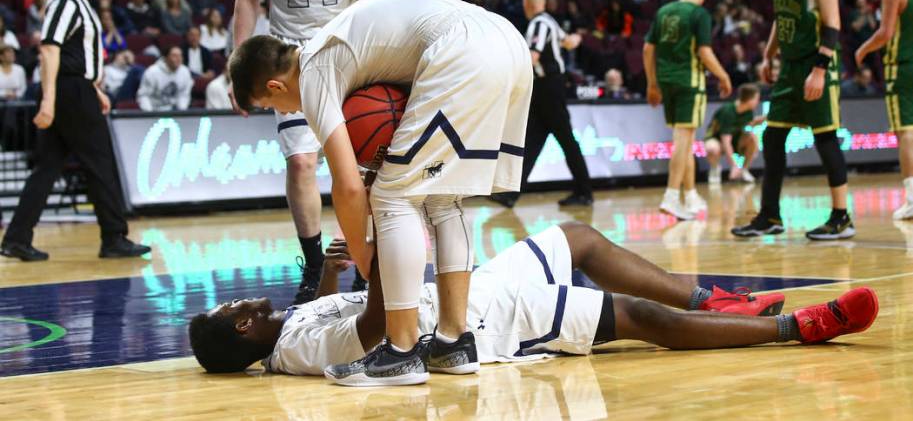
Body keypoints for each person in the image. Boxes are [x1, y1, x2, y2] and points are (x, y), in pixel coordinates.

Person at [229, 0, 532, 386]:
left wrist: (363, 252)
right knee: (442, 198)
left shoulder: (316, 70)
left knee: (392, 194)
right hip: (508, 44)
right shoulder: (333, 42)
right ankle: (453, 341)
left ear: (274, 86)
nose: (285, 112)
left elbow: (348, 187)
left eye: (273, 106)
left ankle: (402, 351)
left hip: (463, 49)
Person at [187, 221, 878, 376]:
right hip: (487, 324)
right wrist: (378, 247)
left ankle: (716, 300)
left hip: (467, 290)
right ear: (245, 329)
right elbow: (374, 326)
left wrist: (341, 270)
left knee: (577, 237)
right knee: (638, 319)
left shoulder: (293, 317)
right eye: (229, 310)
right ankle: (797, 327)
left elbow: (352, 305)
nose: (236, 299)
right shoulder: (297, 349)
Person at [231, 0, 386, 306]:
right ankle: (314, 261)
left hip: (347, 50)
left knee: (363, 167)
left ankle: (365, 259)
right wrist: (239, 68)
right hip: (290, 58)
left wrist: (376, 54)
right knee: (301, 163)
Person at [0, 0, 150, 261]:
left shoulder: (78, 1)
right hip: (68, 93)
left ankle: (16, 237)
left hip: (75, 89)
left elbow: (72, 56)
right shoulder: (65, 0)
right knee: (101, 162)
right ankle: (114, 237)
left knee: (47, 167)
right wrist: (49, 101)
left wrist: (94, 89)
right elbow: (50, 49)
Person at [732, 0, 851, 241]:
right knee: (772, 137)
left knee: (825, 137)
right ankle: (770, 215)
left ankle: (841, 217)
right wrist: (769, 54)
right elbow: (780, 16)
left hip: (817, 63)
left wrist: (819, 70)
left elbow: (832, 25)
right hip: (789, 66)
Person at [492, 0, 592, 209]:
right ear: (543, 3)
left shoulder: (539, 23)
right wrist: (577, 37)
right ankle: (510, 194)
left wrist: (508, 74)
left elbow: (533, 56)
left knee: (565, 140)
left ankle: (584, 192)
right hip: (548, 87)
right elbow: (569, 42)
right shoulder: (551, 22)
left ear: (527, 5)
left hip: (549, 87)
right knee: (532, 141)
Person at [644, 0, 732, 221]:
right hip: (689, 82)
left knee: (685, 137)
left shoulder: (663, 11)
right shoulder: (699, 13)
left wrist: (652, 83)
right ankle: (671, 196)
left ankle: (690, 194)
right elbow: (704, 53)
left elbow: (648, 49)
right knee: (683, 140)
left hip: (666, 81)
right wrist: (724, 76)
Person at [855, 0, 913, 220]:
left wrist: (863, 48)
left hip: (900, 67)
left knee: (906, 133)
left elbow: (886, 33)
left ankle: (912, 198)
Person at [705, 83, 764, 185]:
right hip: (717, 140)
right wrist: (734, 165)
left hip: (735, 140)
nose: (758, 102)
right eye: (757, 98)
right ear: (749, 99)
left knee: (753, 137)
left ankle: (744, 170)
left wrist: (760, 120)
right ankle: (715, 169)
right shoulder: (727, 111)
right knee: (712, 148)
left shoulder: (748, 111)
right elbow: (725, 141)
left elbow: (747, 125)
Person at [136, 45, 193, 112]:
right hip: (154, 110)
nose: (178, 58)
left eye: (180, 55)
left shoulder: (185, 71)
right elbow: (143, 96)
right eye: (174, 56)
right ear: (165, 58)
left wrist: (181, 113)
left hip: (175, 111)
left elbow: (184, 95)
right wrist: (150, 114)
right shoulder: (152, 72)